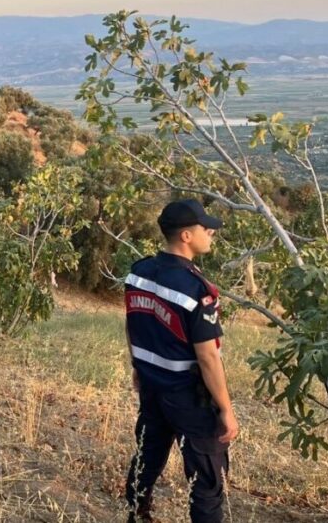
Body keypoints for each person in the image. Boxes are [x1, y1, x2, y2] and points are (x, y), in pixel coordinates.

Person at [122, 199, 238, 523]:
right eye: (205, 228)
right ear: (186, 236)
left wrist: (138, 367)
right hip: (189, 396)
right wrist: (226, 409)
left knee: (147, 456)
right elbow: (208, 356)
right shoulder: (196, 290)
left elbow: (132, 324)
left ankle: (136, 513)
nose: (211, 232)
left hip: (152, 387)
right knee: (206, 480)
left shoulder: (138, 272)